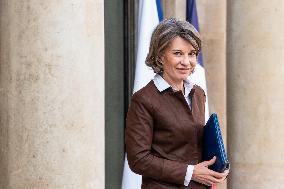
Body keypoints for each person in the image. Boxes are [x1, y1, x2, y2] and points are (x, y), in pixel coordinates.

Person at [125, 18, 229, 189]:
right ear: (160, 56)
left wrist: (217, 167)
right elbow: (138, 159)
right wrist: (190, 172)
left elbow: (194, 145)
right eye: (178, 53)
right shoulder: (144, 99)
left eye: (192, 53)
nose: (186, 62)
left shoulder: (198, 94)